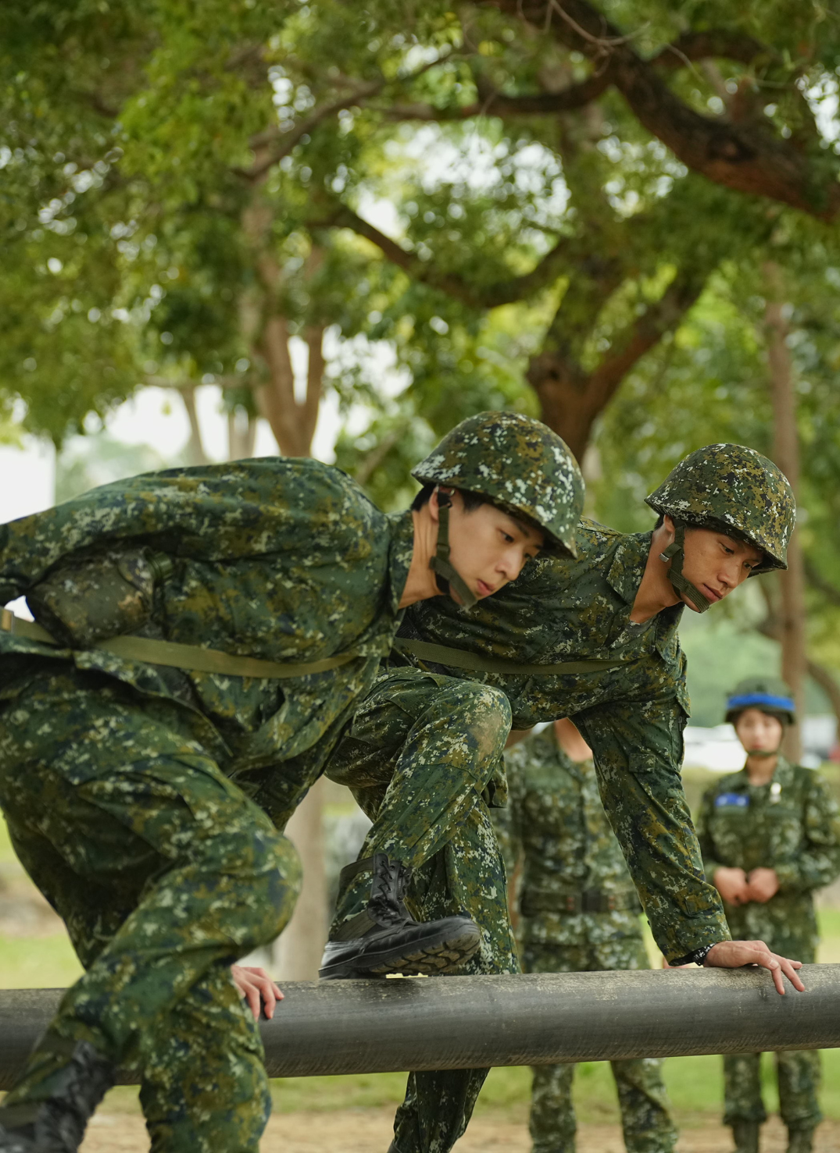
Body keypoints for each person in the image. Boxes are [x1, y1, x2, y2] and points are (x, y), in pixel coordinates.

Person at [0, 411, 585, 1153]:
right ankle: (39, 1111)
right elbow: (140, 504)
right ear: (443, 499)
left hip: (126, 794)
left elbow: (254, 800)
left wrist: (213, 928)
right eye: (504, 535)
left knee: (220, 1084)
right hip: (63, 710)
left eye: (526, 553)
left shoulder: (364, 652)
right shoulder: (329, 511)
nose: (510, 566)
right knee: (263, 867)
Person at [321, 443, 809, 1153]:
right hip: (353, 692)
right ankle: (367, 906)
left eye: (750, 565)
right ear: (672, 523)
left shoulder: (647, 672)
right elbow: (419, 550)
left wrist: (700, 937)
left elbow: (652, 807)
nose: (733, 576)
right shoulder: (555, 555)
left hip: (447, 767)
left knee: (489, 994)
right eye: (726, 548)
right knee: (481, 707)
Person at [500, 718, 679, 1153]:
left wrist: (677, 940)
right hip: (548, 941)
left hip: (620, 937)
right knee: (550, 1076)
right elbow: (499, 860)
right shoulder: (519, 764)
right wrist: (500, 943)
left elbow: (658, 852)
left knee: (642, 1067)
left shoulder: (628, 757)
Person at [697, 677, 840, 1153]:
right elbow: (694, 854)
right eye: (748, 724)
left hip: (792, 937)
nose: (758, 732)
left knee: (798, 1044)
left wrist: (783, 875)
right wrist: (717, 872)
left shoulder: (807, 787)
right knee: (737, 1046)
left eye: (767, 723)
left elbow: (832, 853)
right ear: (736, 730)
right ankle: (744, 1141)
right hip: (734, 940)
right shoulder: (721, 792)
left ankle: (801, 1140)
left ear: (783, 729)